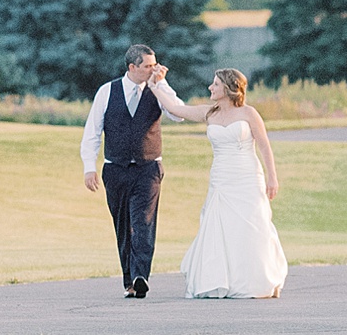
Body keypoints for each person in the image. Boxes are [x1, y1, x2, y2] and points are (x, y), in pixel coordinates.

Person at [80, 45, 209, 298]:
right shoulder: (107, 91)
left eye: (155, 64)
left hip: (148, 167)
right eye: (148, 66)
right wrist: (89, 167)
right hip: (115, 169)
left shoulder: (158, 89)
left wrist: (161, 85)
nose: (155, 69)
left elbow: (178, 114)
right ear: (132, 67)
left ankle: (141, 276)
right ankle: (129, 281)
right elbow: (92, 132)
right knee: (123, 226)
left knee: (144, 223)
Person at [178, 67, 289, 298]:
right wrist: (156, 85)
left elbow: (264, 145)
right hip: (221, 178)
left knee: (252, 225)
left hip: (247, 175)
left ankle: (255, 281)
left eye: (215, 84)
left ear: (228, 89)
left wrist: (272, 177)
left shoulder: (249, 113)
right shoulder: (210, 113)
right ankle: (219, 280)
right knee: (221, 227)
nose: (211, 87)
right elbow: (177, 108)